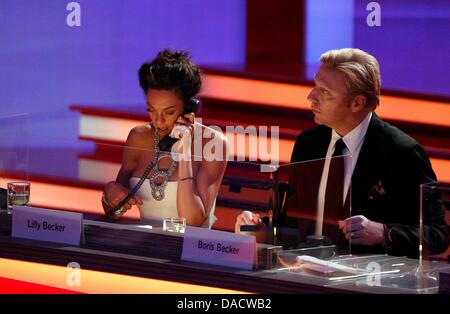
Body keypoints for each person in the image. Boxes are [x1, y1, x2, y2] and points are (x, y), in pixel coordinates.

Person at [236, 48, 448, 257]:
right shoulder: (308, 143)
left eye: (325, 92)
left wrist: (385, 233)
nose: (311, 96)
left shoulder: (402, 152)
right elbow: (296, 224)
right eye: (315, 86)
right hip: (303, 276)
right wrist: (260, 230)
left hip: (367, 283)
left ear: (357, 102)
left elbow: (438, 235)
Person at [102, 49, 228, 228]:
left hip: (191, 252)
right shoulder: (138, 137)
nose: (158, 121)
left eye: (168, 112)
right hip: (146, 247)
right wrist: (109, 192)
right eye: (151, 110)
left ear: (188, 108)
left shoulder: (213, 143)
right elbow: (113, 213)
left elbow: (192, 223)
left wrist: (184, 153)